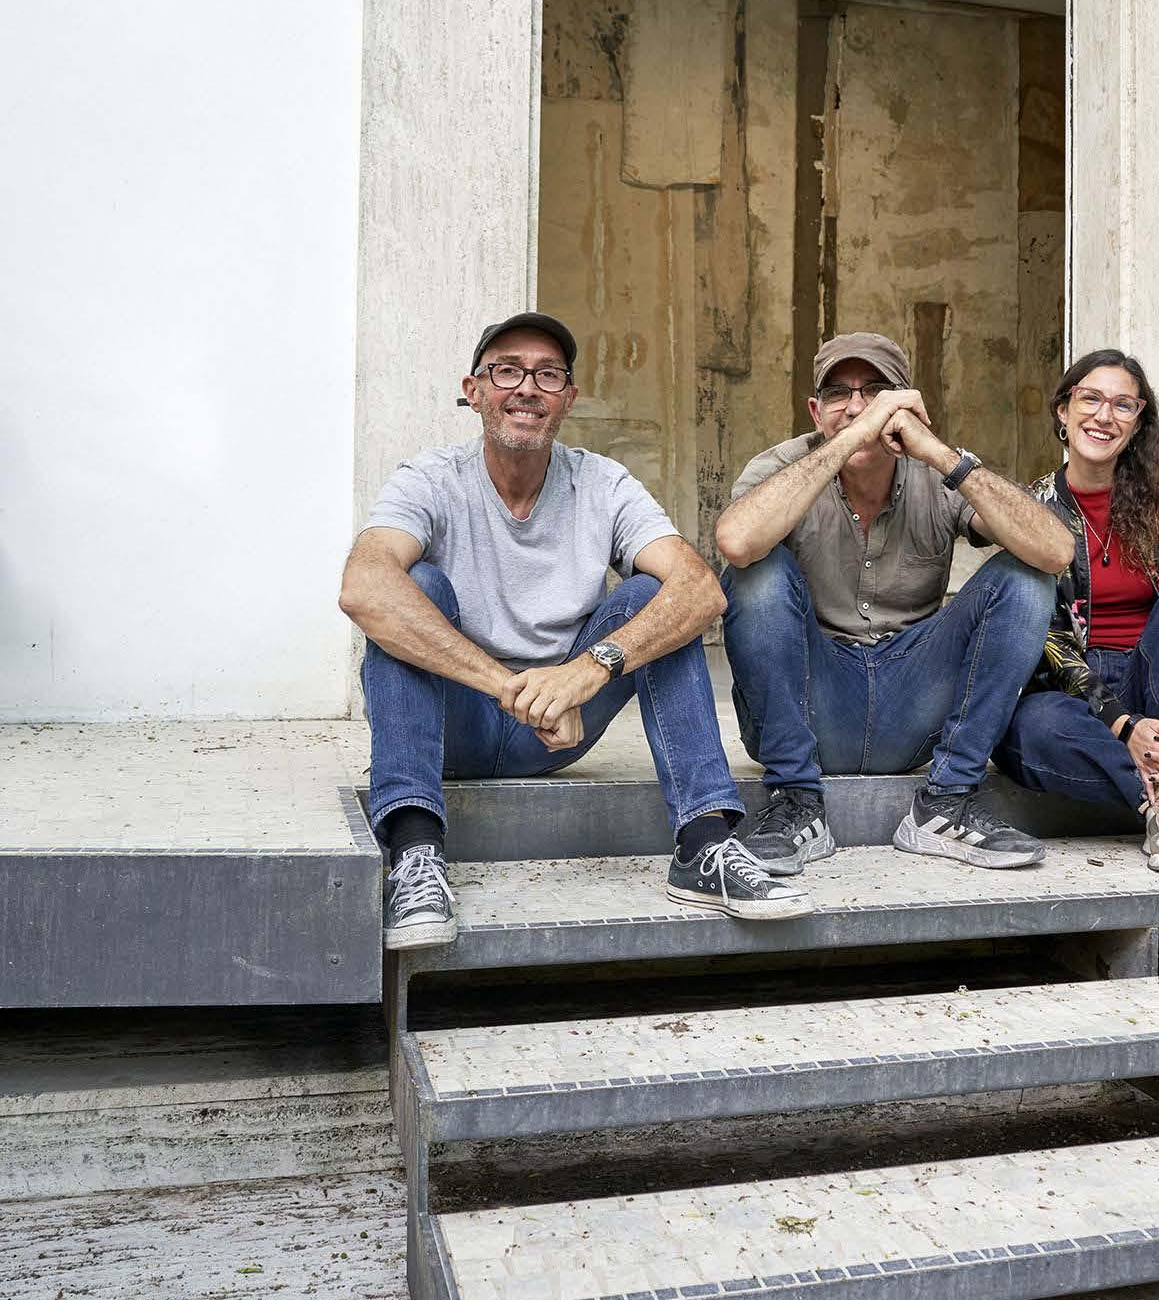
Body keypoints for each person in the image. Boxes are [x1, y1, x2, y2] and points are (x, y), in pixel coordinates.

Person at [340, 312, 809, 947]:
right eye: (507, 371)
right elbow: (363, 586)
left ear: (568, 397)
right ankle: (414, 853)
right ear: (474, 390)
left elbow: (701, 588)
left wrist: (588, 672)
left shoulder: (602, 483)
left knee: (657, 597)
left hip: (559, 729)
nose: (527, 388)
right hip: (458, 720)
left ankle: (704, 844)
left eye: (548, 375)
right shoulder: (430, 479)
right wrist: (510, 687)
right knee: (411, 587)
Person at [715, 331, 1073, 875]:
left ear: (905, 405)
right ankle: (796, 802)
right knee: (753, 573)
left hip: (913, 702)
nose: (857, 406)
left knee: (1027, 578)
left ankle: (946, 801)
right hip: (815, 702)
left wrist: (938, 452)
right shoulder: (784, 466)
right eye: (838, 393)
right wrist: (849, 440)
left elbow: (1055, 552)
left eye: (875, 393)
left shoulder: (938, 469)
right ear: (815, 410)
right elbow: (736, 542)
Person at [997, 349, 1159, 876]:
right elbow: (1049, 643)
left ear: (1138, 424)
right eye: (1090, 399)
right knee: (1028, 727)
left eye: (1123, 405)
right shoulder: (1034, 509)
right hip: (1078, 694)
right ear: (1063, 410)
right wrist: (1122, 723)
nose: (1104, 416)